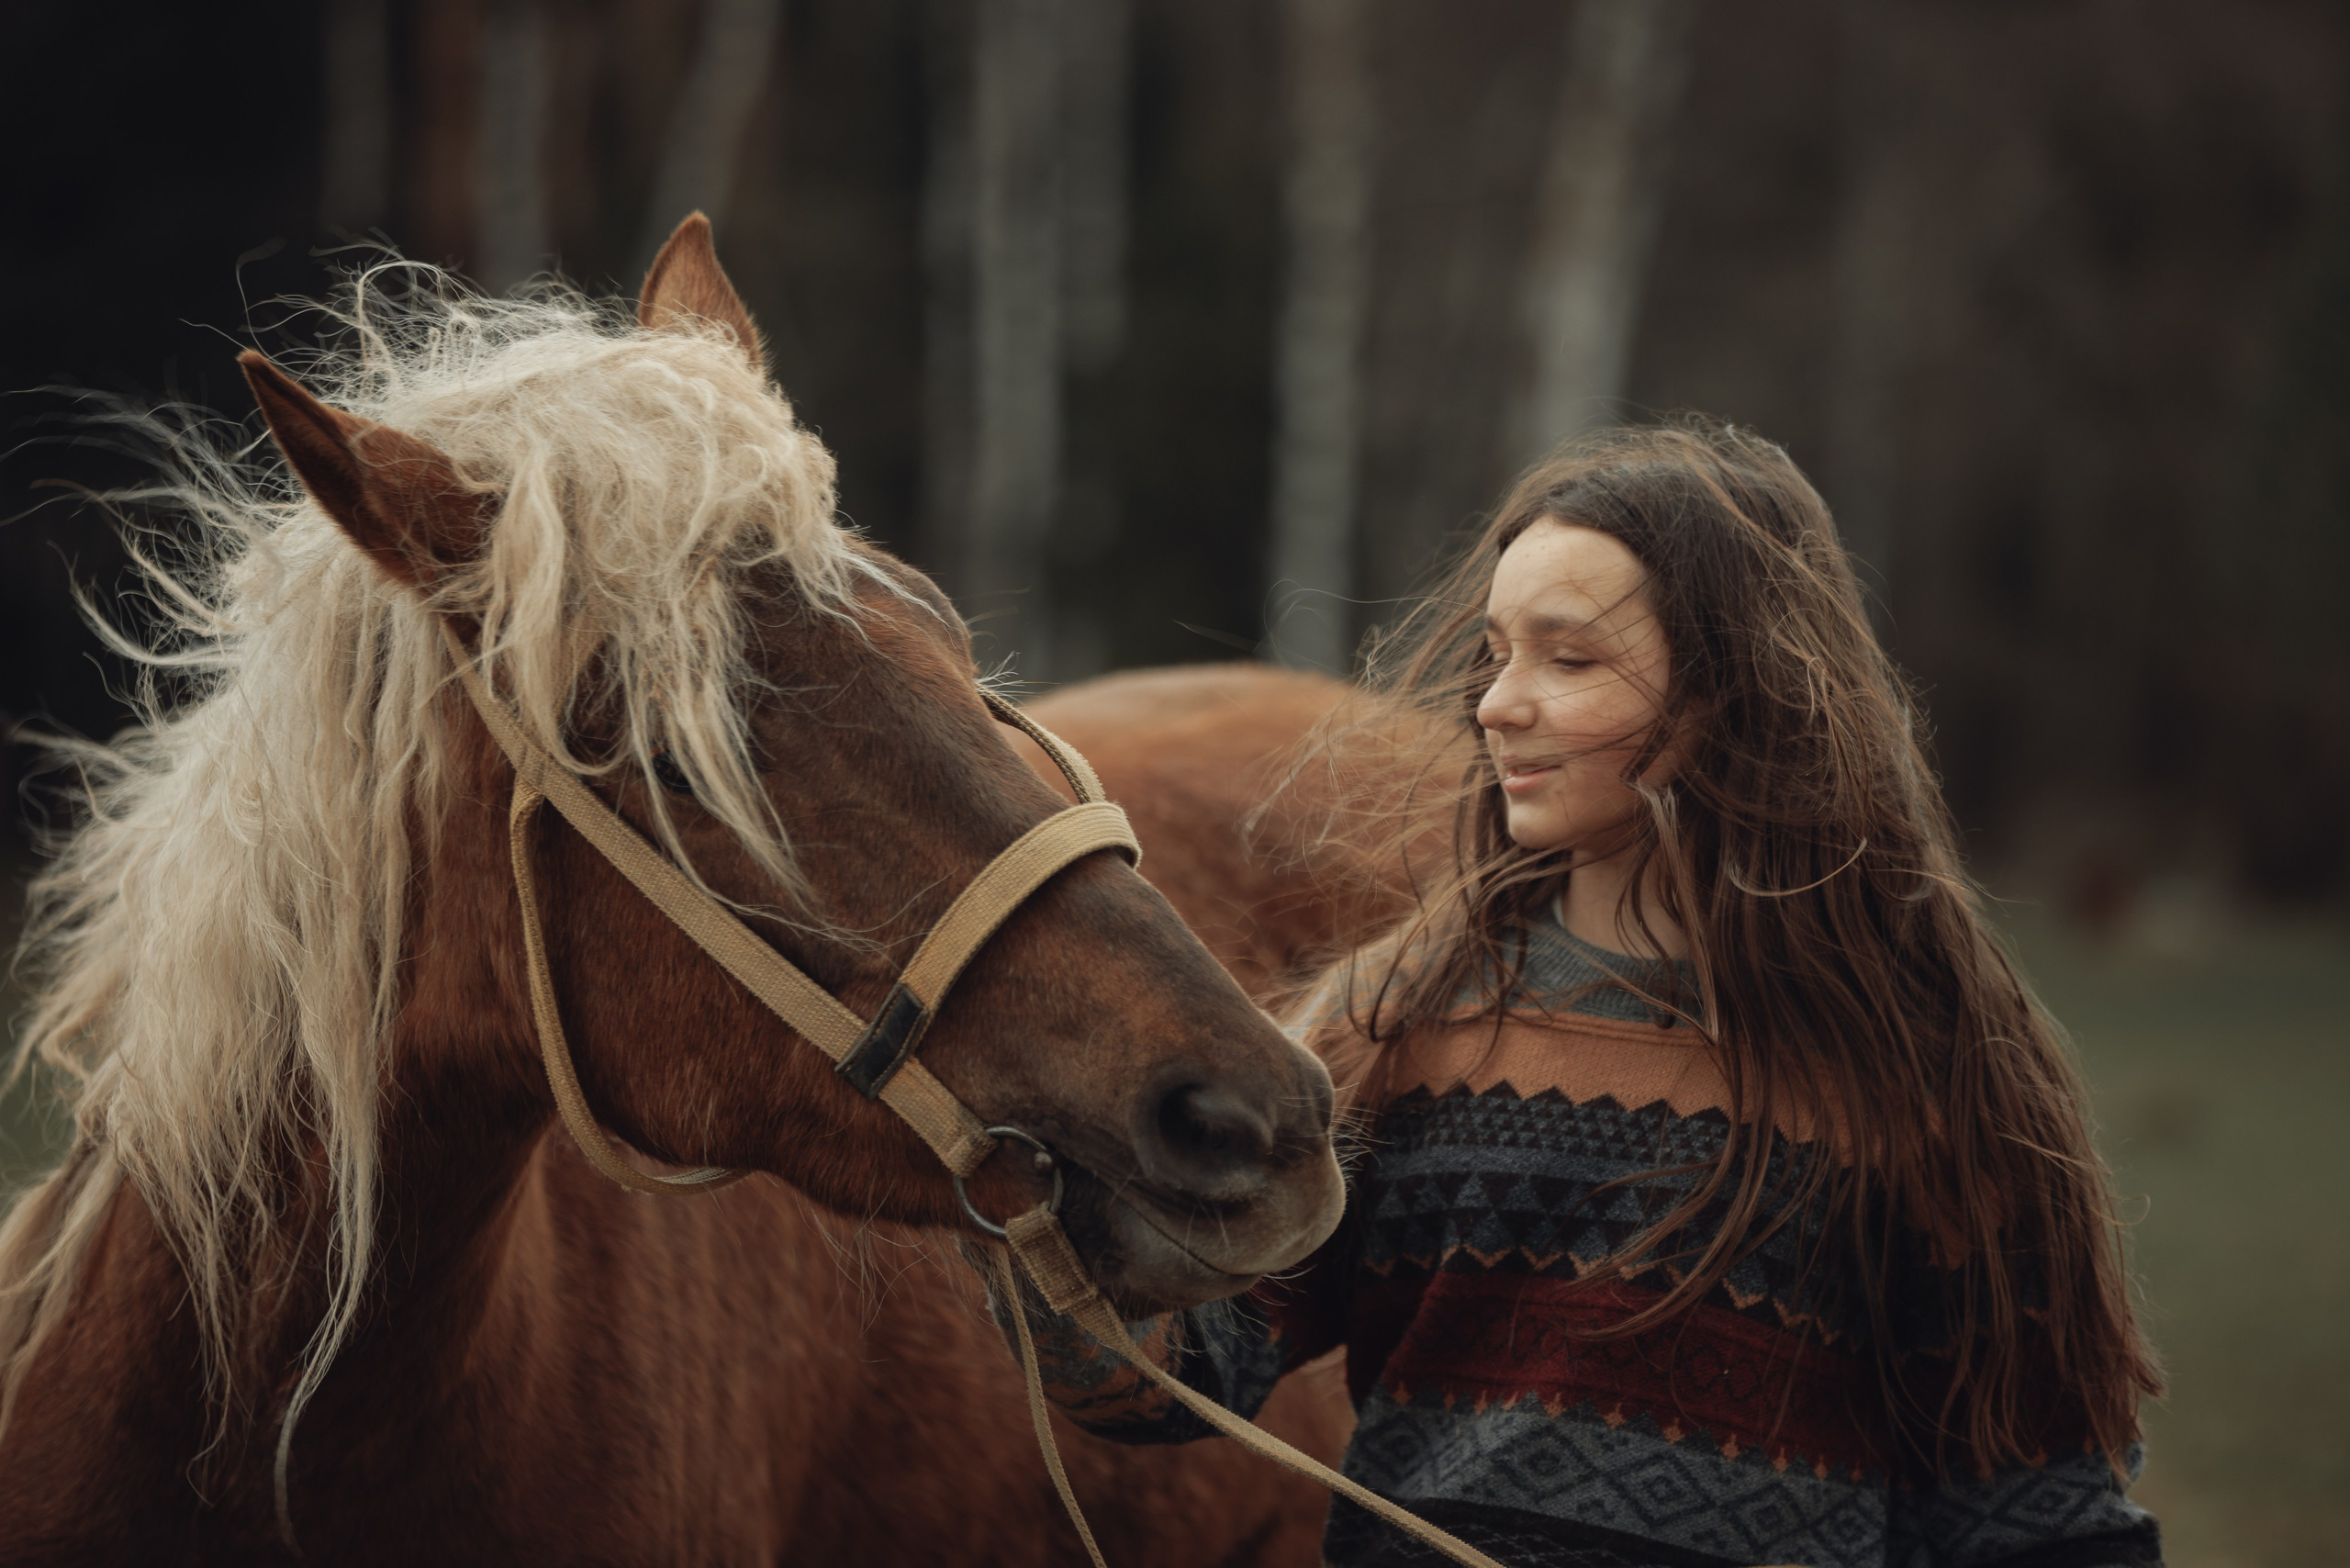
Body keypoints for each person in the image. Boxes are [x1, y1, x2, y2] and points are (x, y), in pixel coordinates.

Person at [1000, 420, 2165, 1568]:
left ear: (1731, 689)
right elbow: (1175, 1373)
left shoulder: (1920, 1063)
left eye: (1568, 658)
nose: (1498, 703)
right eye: (1497, 653)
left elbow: (2034, 1517)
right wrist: (1022, 1207)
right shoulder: (1397, 1024)